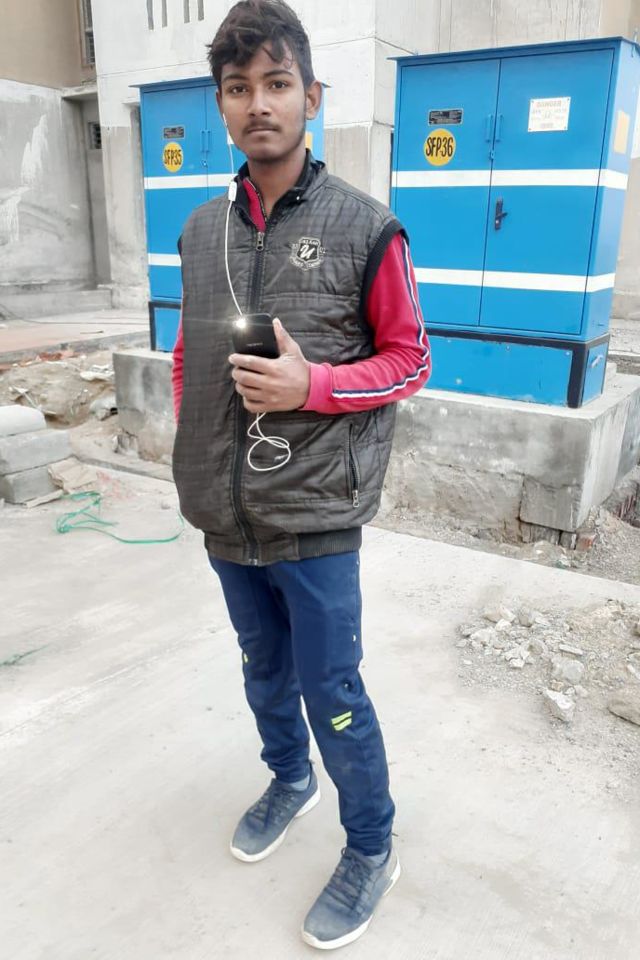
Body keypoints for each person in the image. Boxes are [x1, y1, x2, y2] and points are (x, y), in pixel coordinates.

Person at [171, 0, 431, 949]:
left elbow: (410, 360)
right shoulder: (202, 230)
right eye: (238, 87)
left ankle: (371, 844)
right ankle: (289, 778)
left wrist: (311, 385)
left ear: (311, 98)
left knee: (335, 690)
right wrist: (194, 438)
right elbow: (190, 354)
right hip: (224, 509)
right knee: (262, 668)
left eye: (277, 83)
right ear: (221, 104)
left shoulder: (367, 227)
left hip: (316, 512)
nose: (259, 104)